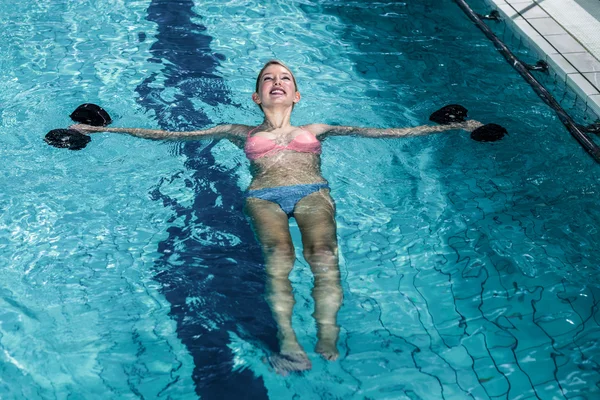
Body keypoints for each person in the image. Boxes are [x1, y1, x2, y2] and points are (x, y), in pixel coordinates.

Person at [71, 60, 482, 374]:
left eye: (284, 77)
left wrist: (452, 128)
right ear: (257, 97)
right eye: (269, 79)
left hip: (312, 193)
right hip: (263, 195)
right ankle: (289, 344)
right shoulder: (240, 131)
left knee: (322, 255)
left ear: (297, 95)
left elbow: (380, 133)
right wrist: (104, 131)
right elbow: (173, 137)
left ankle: (326, 332)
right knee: (278, 258)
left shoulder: (317, 128)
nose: (277, 82)